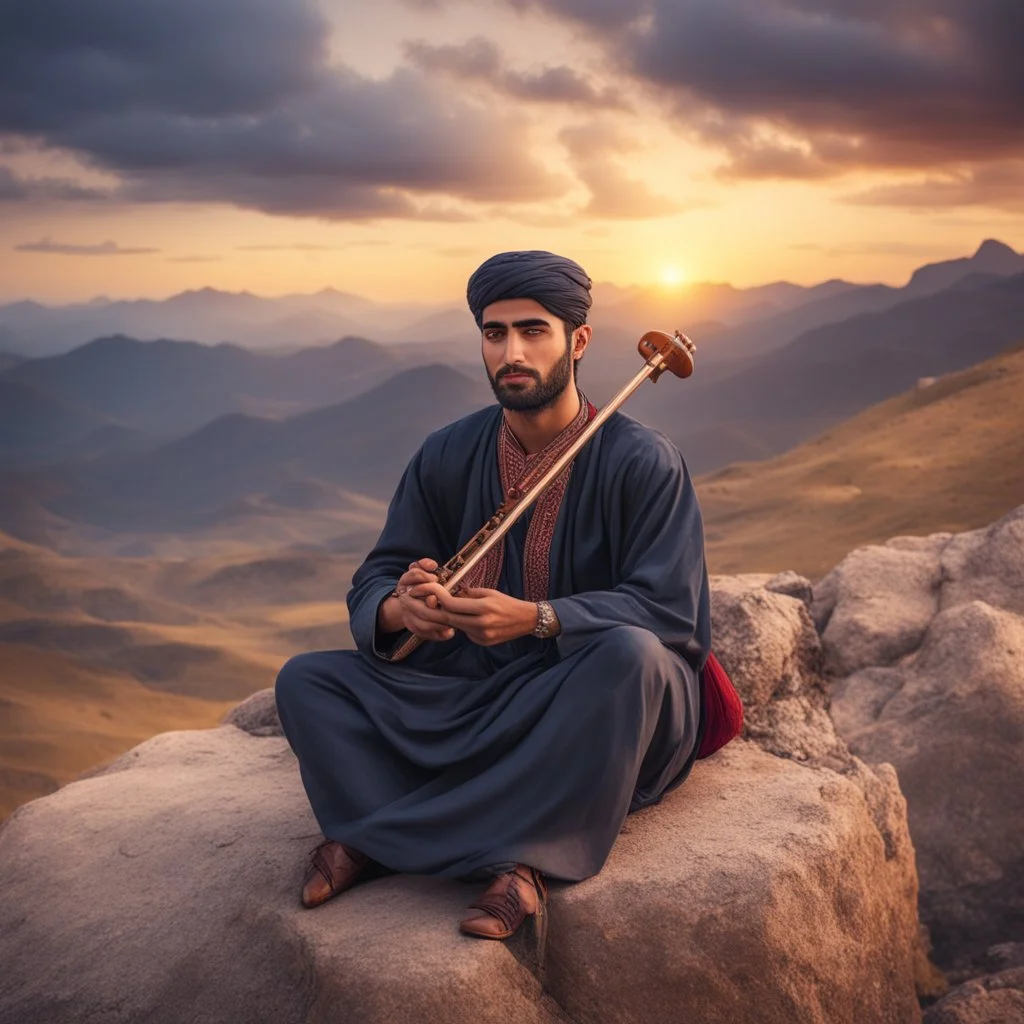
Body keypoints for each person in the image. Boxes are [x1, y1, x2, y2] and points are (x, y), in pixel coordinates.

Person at [275, 249, 712, 941]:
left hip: (582, 699)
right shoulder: (446, 453)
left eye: (533, 330)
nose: (512, 351)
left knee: (632, 658)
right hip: (473, 691)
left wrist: (539, 619)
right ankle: (476, 827)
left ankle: (488, 855)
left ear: (579, 340)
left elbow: (669, 614)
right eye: (494, 332)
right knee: (306, 682)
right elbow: (378, 576)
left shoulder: (642, 460)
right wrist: (401, 607)